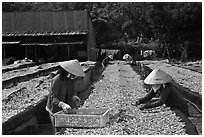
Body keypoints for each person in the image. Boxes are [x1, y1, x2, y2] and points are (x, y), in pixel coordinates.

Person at [46, 59, 85, 134]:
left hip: (65, 108)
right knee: (58, 128)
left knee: (64, 127)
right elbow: (53, 98)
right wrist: (62, 104)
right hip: (54, 108)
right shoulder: (57, 80)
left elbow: (72, 92)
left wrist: (74, 97)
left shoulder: (70, 80)